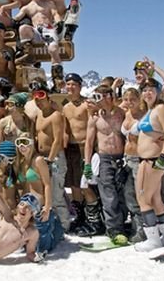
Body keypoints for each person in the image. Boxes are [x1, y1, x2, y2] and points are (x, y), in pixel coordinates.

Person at [134, 78, 164, 252]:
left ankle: (153, 239)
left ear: (158, 92)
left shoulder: (160, 108)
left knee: (143, 199)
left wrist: (162, 156)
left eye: (151, 89)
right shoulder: (150, 110)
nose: (147, 93)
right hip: (147, 160)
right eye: (144, 90)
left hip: (154, 160)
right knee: (155, 199)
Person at [84, 85, 128, 244]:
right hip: (104, 158)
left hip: (122, 156)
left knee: (124, 193)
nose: (97, 100)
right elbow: (89, 143)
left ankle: (124, 224)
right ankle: (114, 230)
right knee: (108, 195)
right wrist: (87, 164)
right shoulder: (95, 118)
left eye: (99, 97)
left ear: (109, 96)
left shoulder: (122, 113)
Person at [62, 73, 104, 236]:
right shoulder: (66, 107)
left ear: (80, 86)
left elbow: (91, 127)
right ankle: (80, 218)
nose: (70, 87)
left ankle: (93, 219)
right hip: (71, 149)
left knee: (85, 185)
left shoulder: (87, 104)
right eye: (68, 84)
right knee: (74, 186)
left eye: (73, 84)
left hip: (84, 148)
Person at [15, 133, 64, 253]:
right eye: (19, 142)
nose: (22, 146)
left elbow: (47, 184)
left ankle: (56, 229)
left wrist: (47, 207)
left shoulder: (39, 160)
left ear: (32, 143)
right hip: (26, 207)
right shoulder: (22, 162)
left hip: (37, 205)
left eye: (25, 142)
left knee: (43, 248)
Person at [31, 81, 70, 231]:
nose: (38, 100)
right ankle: (51, 224)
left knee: (56, 195)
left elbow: (57, 140)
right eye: (35, 97)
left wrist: (50, 159)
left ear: (48, 97)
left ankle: (64, 226)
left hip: (54, 158)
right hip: (42, 158)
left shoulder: (55, 116)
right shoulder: (38, 115)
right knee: (45, 194)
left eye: (41, 96)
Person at [12, 0, 64, 90]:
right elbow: (18, 17)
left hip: (48, 30)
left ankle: (57, 80)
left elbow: (55, 14)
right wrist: (12, 20)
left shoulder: (48, 3)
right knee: (23, 28)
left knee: (53, 49)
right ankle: (29, 55)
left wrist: (59, 22)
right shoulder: (27, 7)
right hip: (35, 31)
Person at [121, 87, 147, 242]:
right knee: (129, 194)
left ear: (139, 100)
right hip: (127, 158)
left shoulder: (144, 116)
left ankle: (144, 229)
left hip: (140, 159)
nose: (129, 102)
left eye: (133, 99)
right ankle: (136, 226)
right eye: (127, 99)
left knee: (141, 195)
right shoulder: (125, 114)